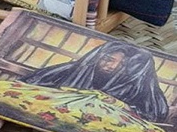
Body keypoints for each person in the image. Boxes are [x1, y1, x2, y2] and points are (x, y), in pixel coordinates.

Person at [22, 41, 170, 123]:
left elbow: (153, 117)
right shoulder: (73, 70)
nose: (111, 66)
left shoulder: (145, 91)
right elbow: (29, 84)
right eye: (108, 59)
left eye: (123, 66)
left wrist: (120, 106)